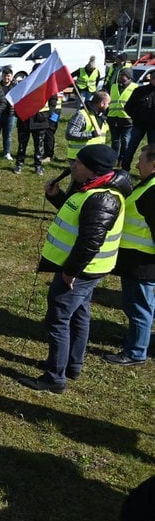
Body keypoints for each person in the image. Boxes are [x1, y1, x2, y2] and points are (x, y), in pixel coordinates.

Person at [18, 144, 131, 393]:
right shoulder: (93, 188)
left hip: (81, 270)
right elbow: (77, 217)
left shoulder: (103, 198)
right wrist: (56, 195)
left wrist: (70, 272)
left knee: (57, 319)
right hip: (86, 269)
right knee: (79, 313)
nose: (72, 166)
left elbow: (91, 240)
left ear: (92, 169)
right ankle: (72, 364)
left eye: (77, 163)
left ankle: (54, 377)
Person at [105, 144, 155, 366]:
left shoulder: (153, 191)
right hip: (134, 260)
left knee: (140, 308)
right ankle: (135, 339)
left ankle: (136, 352)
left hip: (143, 263)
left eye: (141, 160)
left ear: (153, 165)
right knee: (134, 304)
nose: (137, 164)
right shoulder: (147, 185)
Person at [13, 93, 60, 176]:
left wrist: (49, 113)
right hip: (24, 119)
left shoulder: (46, 82)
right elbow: (16, 97)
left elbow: (53, 97)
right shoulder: (25, 83)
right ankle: (19, 164)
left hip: (40, 120)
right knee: (22, 145)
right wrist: (18, 113)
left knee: (39, 145)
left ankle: (38, 165)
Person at [65, 92, 110, 161]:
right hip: (79, 158)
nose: (108, 106)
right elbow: (69, 134)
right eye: (108, 104)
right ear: (102, 104)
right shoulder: (81, 115)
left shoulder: (101, 116)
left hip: (94, 157)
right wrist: (91, 134)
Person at [108, 69, 138, 167]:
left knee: (125, 142)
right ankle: (113, 160)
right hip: (113, 118)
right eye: (120, 74)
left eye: (123, 74)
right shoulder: (113, 86)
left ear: (129, 77)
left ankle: (122, 160)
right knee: (115, 142)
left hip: (127, 119)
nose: (120, 76)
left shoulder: (135, 87)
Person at [124, 71, 155, 167]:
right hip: (139, 125)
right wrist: (136, 117)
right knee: (131, 148)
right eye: (154, 78)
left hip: (154, 127)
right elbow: (128, 107)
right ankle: (125, 168)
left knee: (153, 151)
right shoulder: (140, 91)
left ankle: (151, 172)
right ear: (151, 79)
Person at [0, 67, 17, 160]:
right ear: (2, 76)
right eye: (4, 75)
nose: (6, 78)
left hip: (10, 115)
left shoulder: (16, 87)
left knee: (7, 135)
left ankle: (7, 152)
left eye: (8, 76)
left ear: (11, 76)